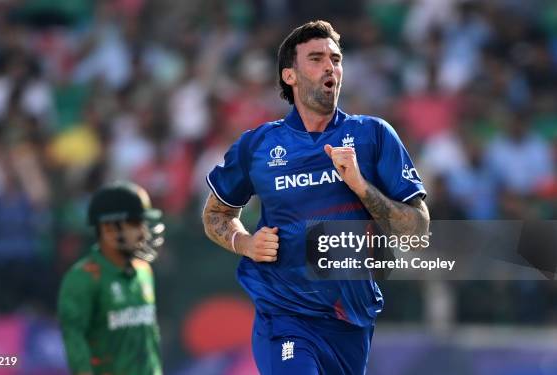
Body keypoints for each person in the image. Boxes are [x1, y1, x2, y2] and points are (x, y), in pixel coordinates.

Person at [202, 20, 430, 374]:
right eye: (316, 58)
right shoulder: (257, 145)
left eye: (336, 59)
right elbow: (215, 213)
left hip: (350, 321)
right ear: (289, 75)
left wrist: (361, 186)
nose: (331, 66)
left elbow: (417, 231)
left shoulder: (373, 135)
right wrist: (243, 243)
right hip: (285, 315)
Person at [58, 181, 165, 375]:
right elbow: (75, 342)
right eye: (135, 223)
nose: (144, 232)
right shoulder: (83, 278)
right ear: (109, 230)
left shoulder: (144, 271)